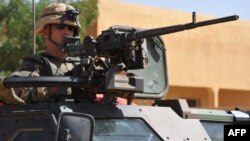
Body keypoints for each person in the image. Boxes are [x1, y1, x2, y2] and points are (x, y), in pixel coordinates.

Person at [0, 2, 81, 105]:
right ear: (46, 32)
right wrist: (52, 89)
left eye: (71, 28)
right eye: (60, 26)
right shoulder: (36, 65)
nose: (67, 32)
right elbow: (14, 91)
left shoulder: (82, 65)